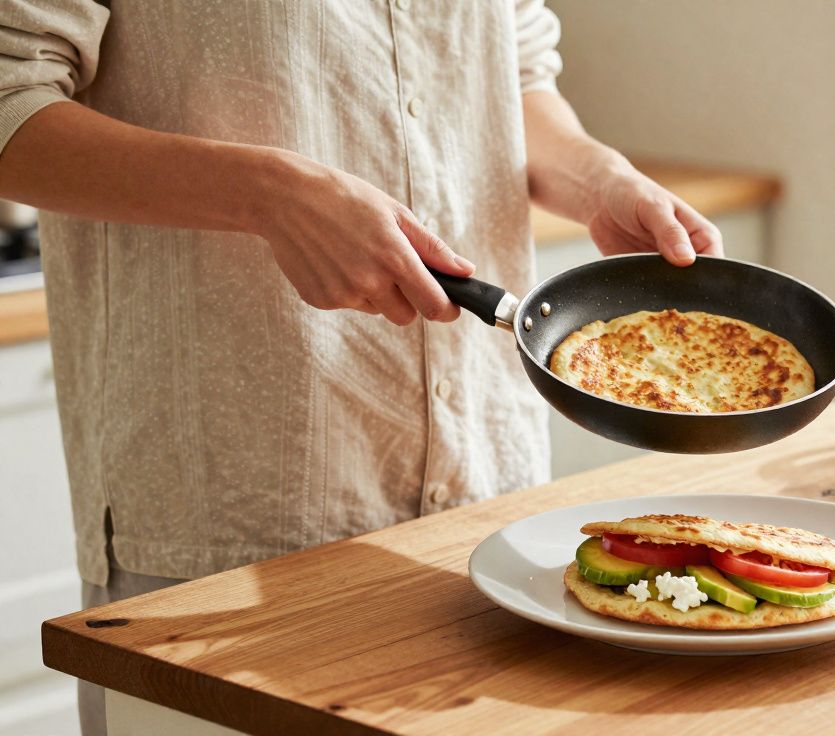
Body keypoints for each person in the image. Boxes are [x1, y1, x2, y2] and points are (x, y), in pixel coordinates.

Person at [0, 1, 722, 732]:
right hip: (235, 532)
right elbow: (8, 98)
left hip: (489, 510)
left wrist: (597, 176)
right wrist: (269, 194)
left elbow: (514, 74)